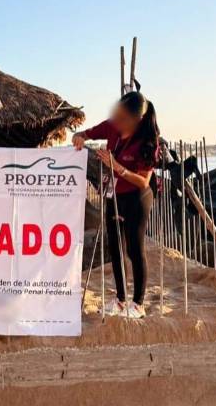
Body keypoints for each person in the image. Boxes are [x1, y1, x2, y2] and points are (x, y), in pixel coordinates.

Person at [72, 91, 160, 318]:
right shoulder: (112, 126)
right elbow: (86, 133)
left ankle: (138, 304)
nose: (117, 121)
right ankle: (121, 300)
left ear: (136, 119)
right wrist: (79, 137)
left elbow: (143, 181)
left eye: (123, 117)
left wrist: (117, 167)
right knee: (115, 248)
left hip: (137, 197)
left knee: (134, 249)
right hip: (114, 195)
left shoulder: (148, 141)